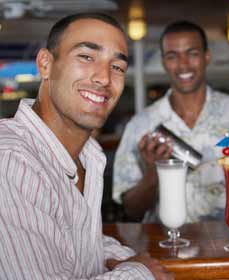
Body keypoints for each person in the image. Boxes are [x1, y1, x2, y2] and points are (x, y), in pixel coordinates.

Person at [0, 13, 172, 279]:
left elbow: (74, 242)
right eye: (86, 57)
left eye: (117, 67)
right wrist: (139, 273)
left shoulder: (89, 157)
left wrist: (121, 257)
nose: (104, 78)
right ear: (45, 64)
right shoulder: (11, 160)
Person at [113, 20, 229, 224]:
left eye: (192, 53)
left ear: (206, 56)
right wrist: (152, 174)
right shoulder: (141, 125)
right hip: (164, 244)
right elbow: (132, 210)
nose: (183, 64)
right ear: (164, 62)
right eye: (172, 56)